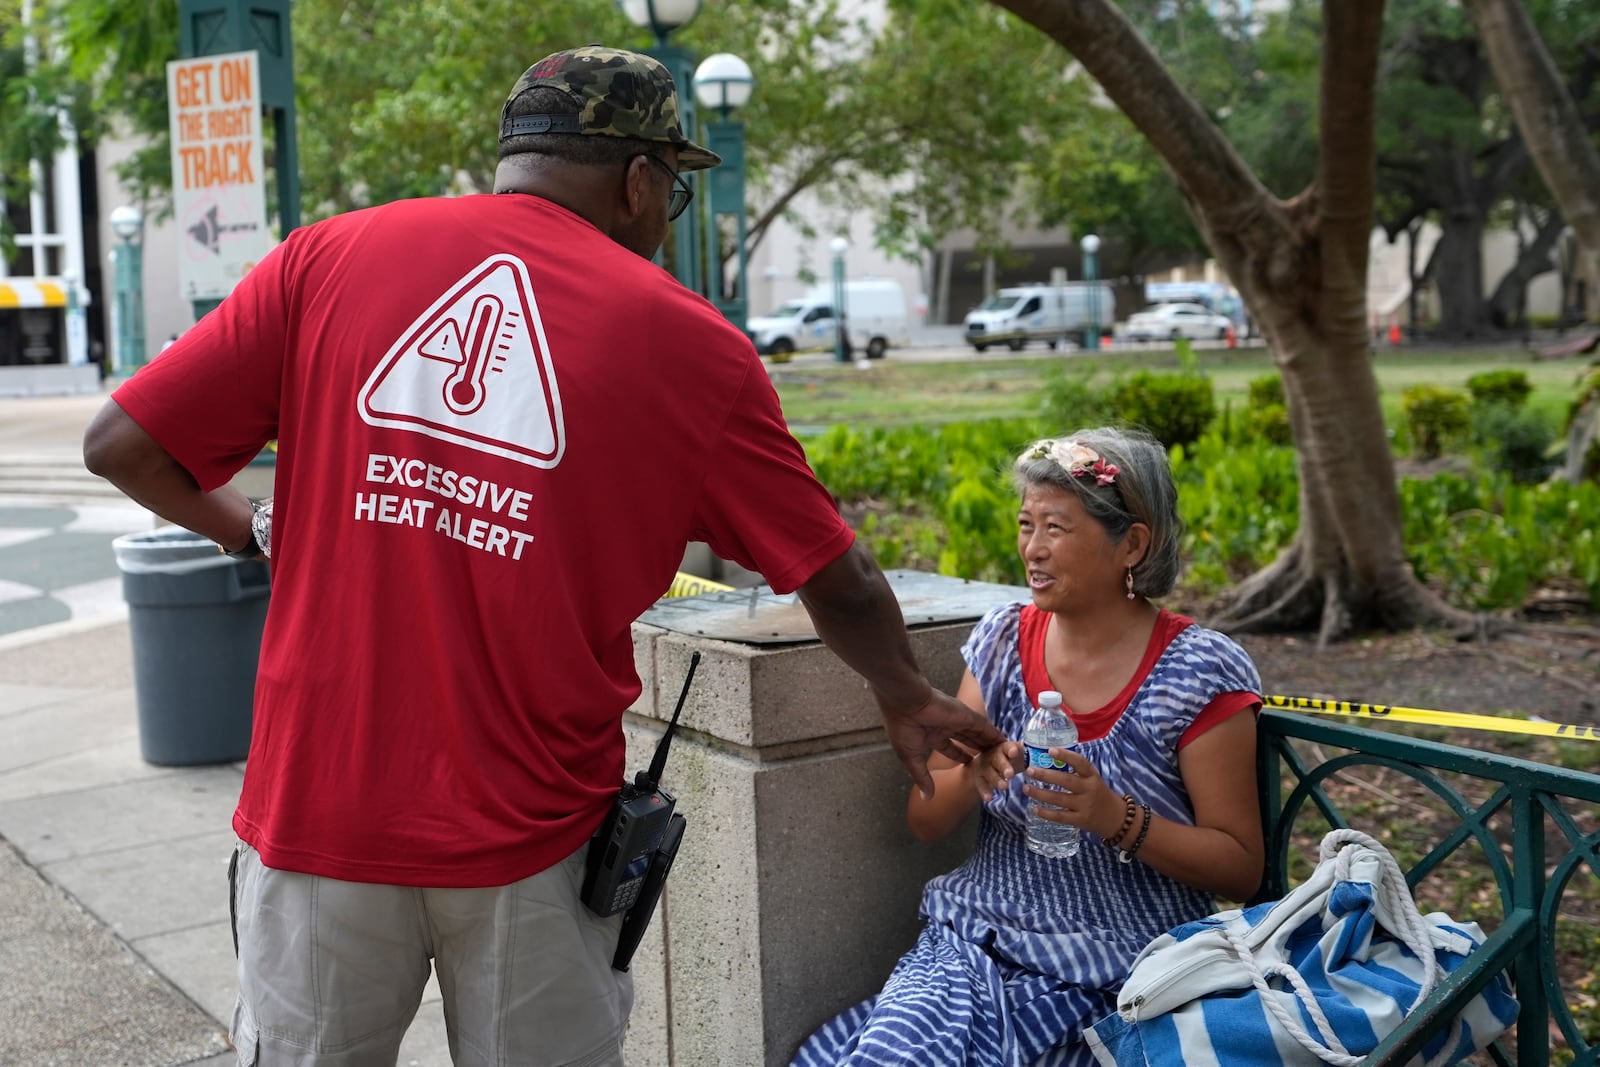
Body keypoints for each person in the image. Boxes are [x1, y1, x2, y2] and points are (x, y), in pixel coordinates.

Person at [82, 46, 1002, 1067]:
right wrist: (902, 692)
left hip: (317, 809)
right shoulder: (692, 347)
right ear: (640, 178)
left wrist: (250, 526)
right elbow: (840, 576)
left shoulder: (327, 257)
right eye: (674, 190)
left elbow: (121, 447)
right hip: (532, 836)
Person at [790, 427, 1264, 1067]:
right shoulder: (1002, 643)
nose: (1032, 551)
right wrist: (973, 775)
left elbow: (1240, 868)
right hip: (973, 945)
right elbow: (925, 818)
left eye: (1056, 530)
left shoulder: (1196, 671)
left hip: (1124, 968)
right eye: (1025, 524)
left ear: (1132, 543)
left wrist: (1112, 817)